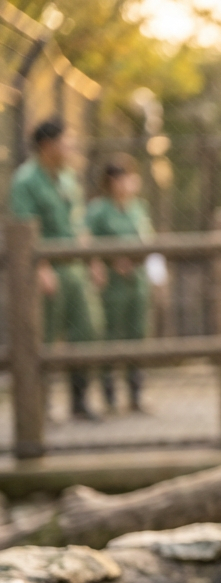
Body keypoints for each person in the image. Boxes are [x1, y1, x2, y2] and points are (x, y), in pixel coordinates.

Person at [9, 118, 102, 420]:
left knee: (87, 331)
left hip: (74, 268)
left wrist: (92, 260)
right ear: (47, 145)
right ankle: (39, 404)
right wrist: (41, 268)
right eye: (66, 140)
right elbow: (22, 227)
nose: (71, 147)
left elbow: (78, 224)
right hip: (45, 269)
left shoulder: (67, 178)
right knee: (43, 337)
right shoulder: (25, 181)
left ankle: (80, 399)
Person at [86, 154, 154, 413]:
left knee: (138, 333)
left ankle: (136, 394)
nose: (127, 183)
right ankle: (109, 396)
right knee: (110, 335)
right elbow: (87, 240)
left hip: (136, 282)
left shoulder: (139, 208)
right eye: (122, 178)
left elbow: (148, 239)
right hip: (111, 285)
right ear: (111, 181)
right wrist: (103, 262)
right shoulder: (98, 210)